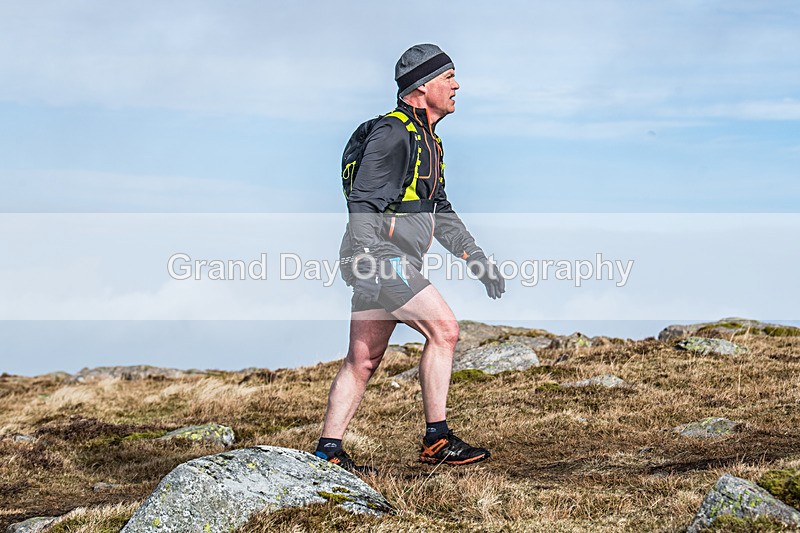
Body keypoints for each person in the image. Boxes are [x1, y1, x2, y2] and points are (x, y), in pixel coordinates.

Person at [315, 44, 505, 472]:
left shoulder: (429, 140)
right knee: (446, 330)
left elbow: (439, 208)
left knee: (362, 360)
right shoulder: (394, 133)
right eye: (448, 76)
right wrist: (370, 262)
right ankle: (437, 439)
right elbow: (363, 202)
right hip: (379, 258)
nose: (457, 85)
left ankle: (327, 452)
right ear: (422, 86)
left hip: (384, 259)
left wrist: (475, 258)